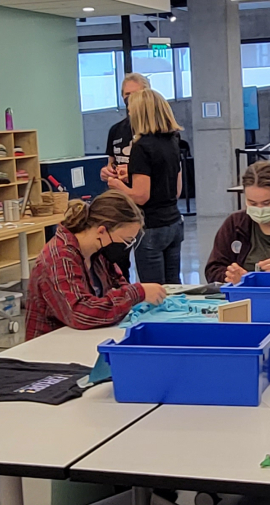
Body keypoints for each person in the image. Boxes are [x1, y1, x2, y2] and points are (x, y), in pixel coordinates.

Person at [25, 191, 168, 336]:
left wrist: (132, 296)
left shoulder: (99, 255)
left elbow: (119, 286)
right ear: (101, 231)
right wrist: (137, 293)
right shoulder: (60, 258)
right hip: (51, 348)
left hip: (84, 339)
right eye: (126, 241)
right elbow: (80, 313)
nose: (126, 247)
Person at [106, 88, 184, 285]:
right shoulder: (173, 141)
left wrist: (116, 184)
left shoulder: (141, 146)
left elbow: (141, 196)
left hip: (151, 226)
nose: (129, 115)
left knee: (153, 290)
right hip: (174, 222)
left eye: (131, 110)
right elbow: (176, 188)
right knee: (173, 287)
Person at [99, 72, 152, 277]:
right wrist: (107, 172)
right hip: (119, 206)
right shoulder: (116, 130)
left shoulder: (153, 132)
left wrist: (129, 174)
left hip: (146, 207)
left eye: (134, 94)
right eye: (125, 94)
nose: (129, 99)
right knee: (116, 261)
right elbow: (110, 162)